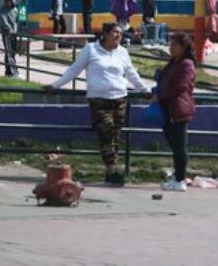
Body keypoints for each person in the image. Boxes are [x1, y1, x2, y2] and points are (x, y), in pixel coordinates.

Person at [45, 22, 150, 186]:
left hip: (120, 98)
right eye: (115, 33)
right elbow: (74, 69)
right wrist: (55, 85)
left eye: (120, 34)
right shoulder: (91, 50)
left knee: (115, 136)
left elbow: (131, 73)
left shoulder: (122, 52)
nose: (118, 37)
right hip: (99, 99)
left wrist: (145, 89)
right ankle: (113, 169)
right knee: (106, 130)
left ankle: (111, 171)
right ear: (105, 34)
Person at [154, 32, 196, 192]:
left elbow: (180, 86)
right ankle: (178, 175)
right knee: (174, 145)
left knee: (180, 146)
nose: (171, 48)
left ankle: (180, 179)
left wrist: (160, 97)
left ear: (183, 47)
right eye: (170, 45)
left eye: (175, 45)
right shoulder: (174, 62)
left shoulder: (186, 64)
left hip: (178, 109)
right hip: (168, 109)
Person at [0, 0, 19, 78]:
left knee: (13, 52)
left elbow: (16, 21)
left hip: (14, 34)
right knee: (9, 52)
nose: (8, 2)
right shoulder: (2, 10)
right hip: (7, 34)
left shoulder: (15, 10)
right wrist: (9, 29)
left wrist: (15, 29)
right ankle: (9, 71)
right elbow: (4, 21)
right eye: (6, 1)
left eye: (9, 0)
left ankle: (13, 70)